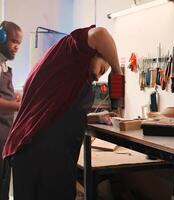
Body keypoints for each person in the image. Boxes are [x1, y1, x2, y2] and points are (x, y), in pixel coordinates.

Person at [1, 25, 123, 200]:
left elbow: (60, 111)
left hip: (38, 154)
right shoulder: (73, 50)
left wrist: (96, 117)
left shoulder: (71, 73)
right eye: (103, 69)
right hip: (43, 157)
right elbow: (100, 33)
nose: (98, 77)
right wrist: (117, 72)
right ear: (94, 52)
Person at [0, 21, 22, 191]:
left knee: (4, 183)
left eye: (19, 44)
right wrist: (18, 106)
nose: (16, 47)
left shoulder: (4, 64)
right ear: (1, 37)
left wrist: (13, 96)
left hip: (5, 133)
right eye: (14, 42)